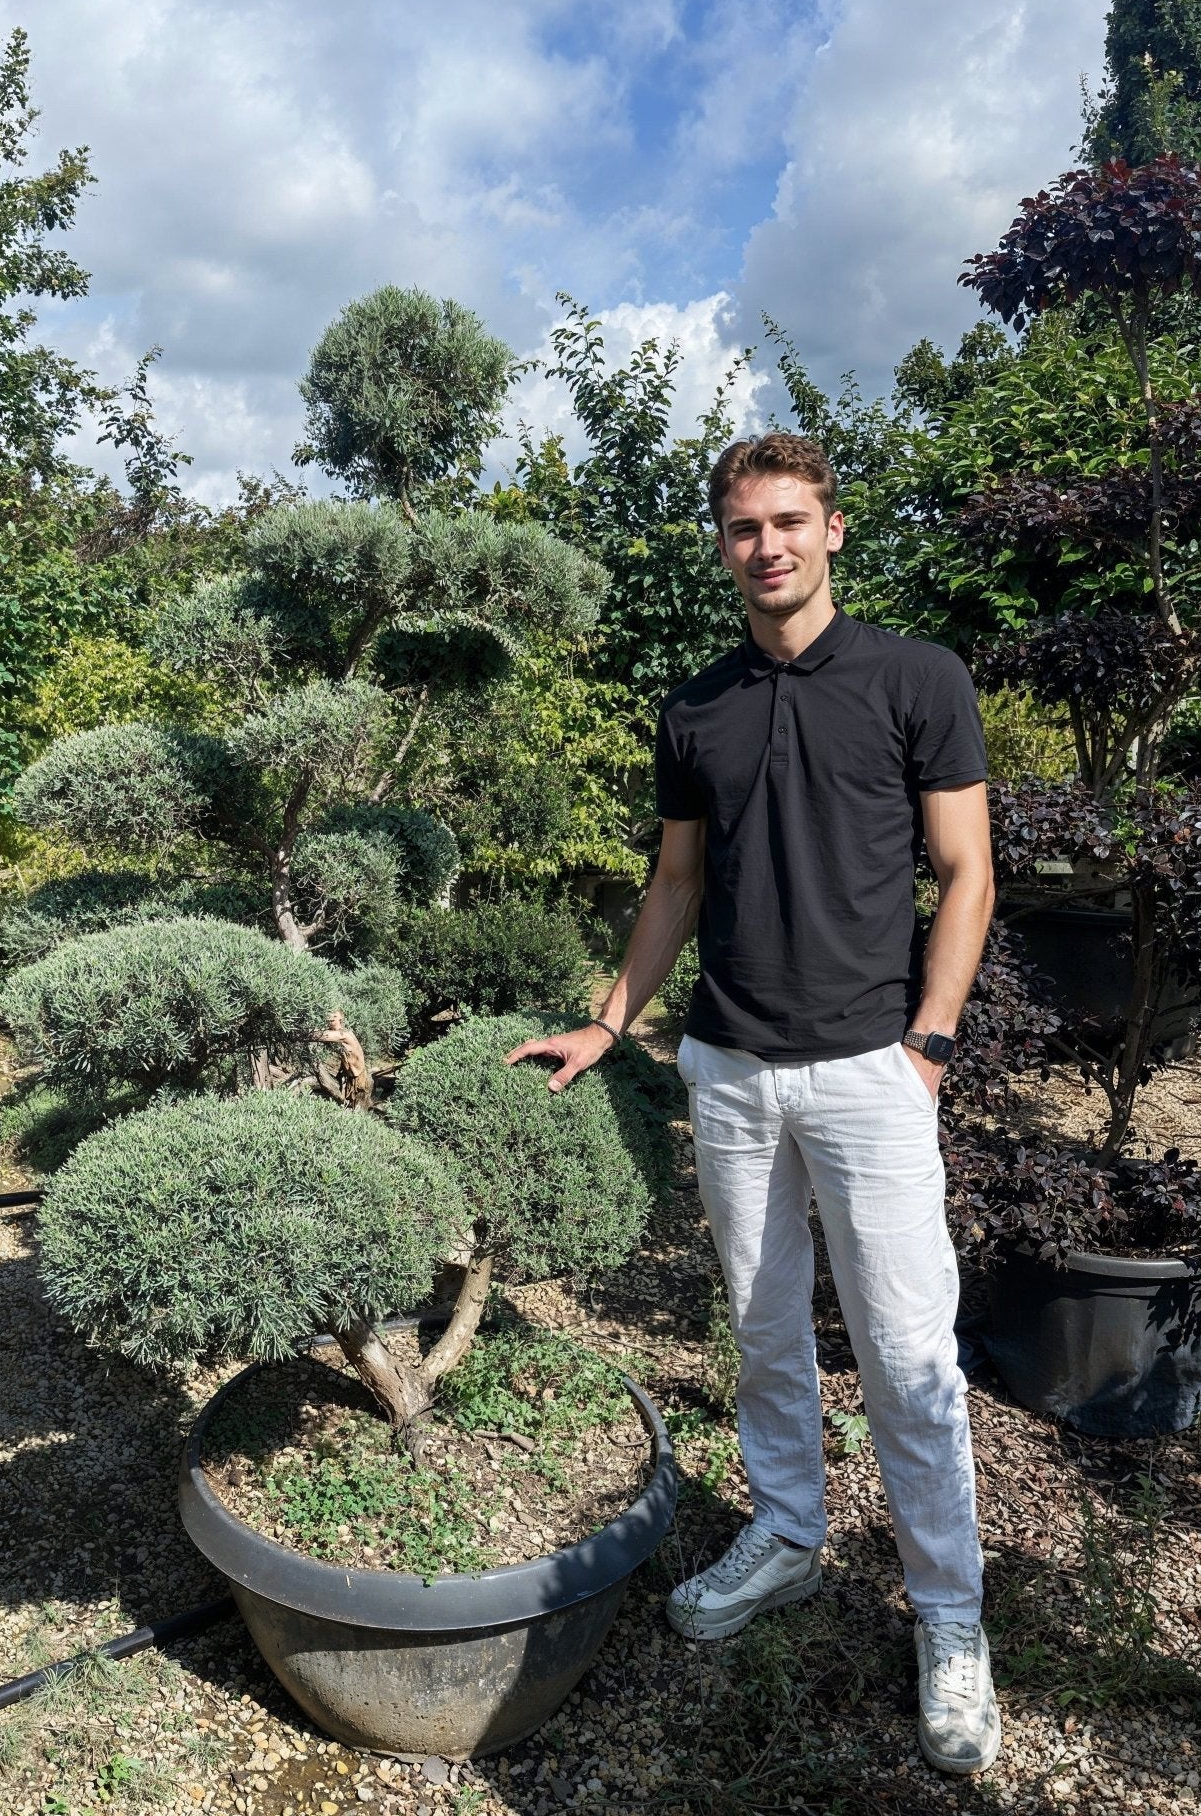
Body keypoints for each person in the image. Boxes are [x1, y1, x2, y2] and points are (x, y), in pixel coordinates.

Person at [507, 432, 1000, 1777]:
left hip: (871, 1069)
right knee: (764, 1327)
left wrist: (929, 1044)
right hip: (727, 1069)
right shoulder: (697, 709)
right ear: (722, 545)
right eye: (744, 527)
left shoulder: (917, 678)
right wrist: (613, 1020)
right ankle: (786, 1531)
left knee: (908, 1355)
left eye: (789, 521)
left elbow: (966, 872)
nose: (767, 546)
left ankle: (949, 1615)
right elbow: (676, 883)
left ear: (832, 530)